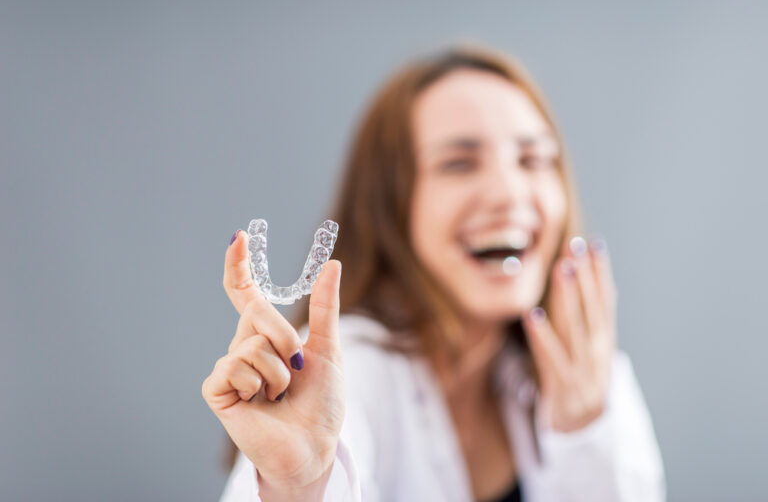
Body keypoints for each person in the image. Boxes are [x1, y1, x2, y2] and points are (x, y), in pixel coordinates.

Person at [202, 44, 666, 501]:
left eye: (533, 160)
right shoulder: (345, 374)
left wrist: (584, 432)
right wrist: (297, 489)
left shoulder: (584, 373)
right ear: (391, 207)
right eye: (459, 163)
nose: (509, 192)